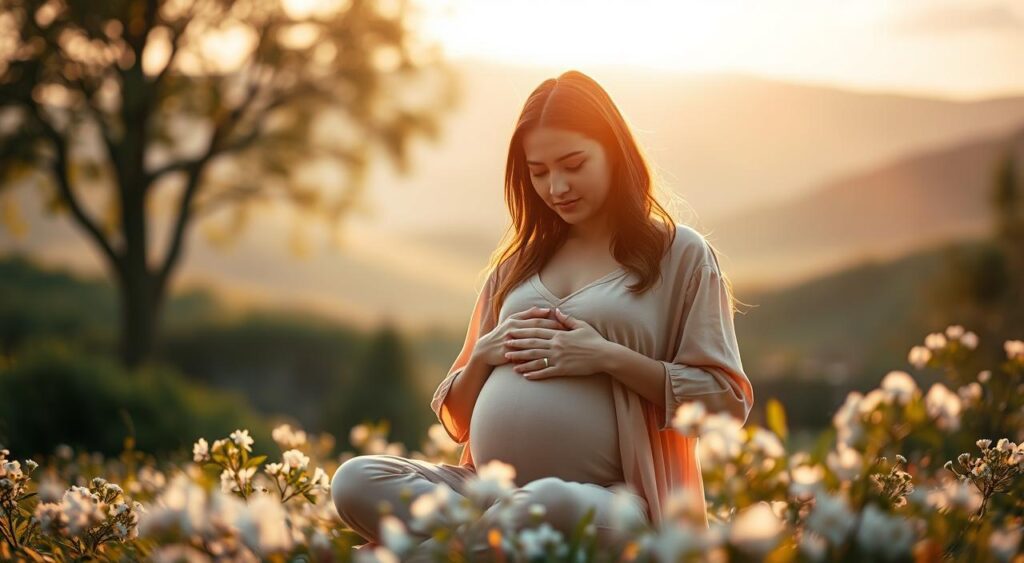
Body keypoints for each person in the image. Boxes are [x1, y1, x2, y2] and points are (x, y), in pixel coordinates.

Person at [331, 69, 754, 558]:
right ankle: (481, 544)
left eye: (573, 164)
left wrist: (605, 356)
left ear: (615, 153)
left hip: (608, 506)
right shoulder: (518, 263)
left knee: (547, 501)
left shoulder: (678, 255)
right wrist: (484, 356)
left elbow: (726, 401)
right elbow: (459, 419)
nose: (556, 187)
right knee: (356, 480)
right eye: (538, 171)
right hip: (490, 495)